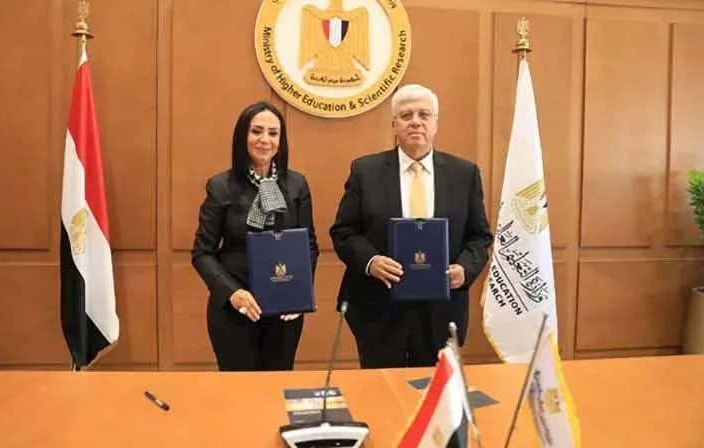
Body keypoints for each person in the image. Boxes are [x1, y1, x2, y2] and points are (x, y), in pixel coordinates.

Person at [330, 84, 493, 368]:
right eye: (406, 116)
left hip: (440, 311)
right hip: (378, 307)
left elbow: (479, 237)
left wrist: (464, 270)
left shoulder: (464, 173)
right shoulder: (365, 171)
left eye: (424, 115)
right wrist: (371, 261)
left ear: (435, 124)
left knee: (433, 390)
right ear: (394, 125)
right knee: (380, 389)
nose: (415, 122)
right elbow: (343, 232)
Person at [192, 101, 319, 371]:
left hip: (284, 309)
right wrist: (232, 292)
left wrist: (299, 293)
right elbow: (202, 253)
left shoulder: (297, 184)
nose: (265, 140)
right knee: (239, 391)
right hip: (236, 309)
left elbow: (309, 246)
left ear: (281, 141)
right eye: (256, 131)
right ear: (242, 137)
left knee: (277, 386)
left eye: (273, 133)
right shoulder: (221, 186)